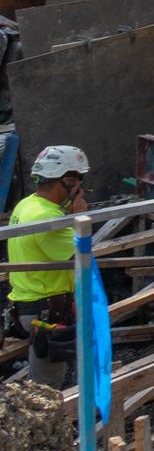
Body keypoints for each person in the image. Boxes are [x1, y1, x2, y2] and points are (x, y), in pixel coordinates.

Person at [6, 146, 87, 388]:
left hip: (26, 303)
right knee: (45, 391)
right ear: (67, 181)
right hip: (48, 309)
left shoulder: (27, 205)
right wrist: (77, 217)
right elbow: (84, 256)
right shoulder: (49, 219)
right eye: (78, 182)